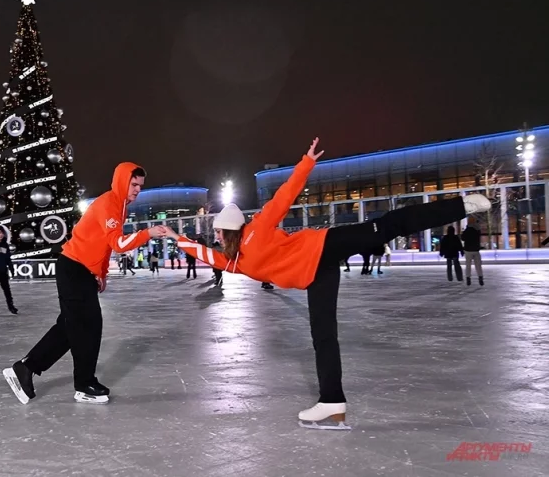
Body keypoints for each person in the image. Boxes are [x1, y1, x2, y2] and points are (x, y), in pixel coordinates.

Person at [161, 138, 491, 430]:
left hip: (326, 245)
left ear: (230, 230)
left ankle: (462, 204)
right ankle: (332, 402)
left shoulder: (258, 228)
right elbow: (206, 254)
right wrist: (177, 238)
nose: (216, 237)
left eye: (219, 232)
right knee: (323, 337)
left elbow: (284, 196)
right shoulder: (236, 261)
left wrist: (306, 163)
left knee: (390, 225)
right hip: (317, 274)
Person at [2, 162, 166, 405]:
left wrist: (100, 272)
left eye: (140, 186)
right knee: (88, 326)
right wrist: (147, 233)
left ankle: (26, 368)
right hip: (72, 268)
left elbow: (101, 244)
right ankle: (84, 384)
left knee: (71, 327)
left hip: (80, 270)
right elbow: (119, 244)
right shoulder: (109, 204)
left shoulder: (119, 205)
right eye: (133, 184)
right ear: (122, 181)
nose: (137, 190)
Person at [461, 218, 484, 286]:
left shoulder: (466, 231)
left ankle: (468, 278)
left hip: (468, 250)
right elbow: (479, 236)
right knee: (478, 265)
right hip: (476, 250)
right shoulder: (477, 230)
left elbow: (463, 238)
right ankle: (480, 277)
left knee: (468, 265)